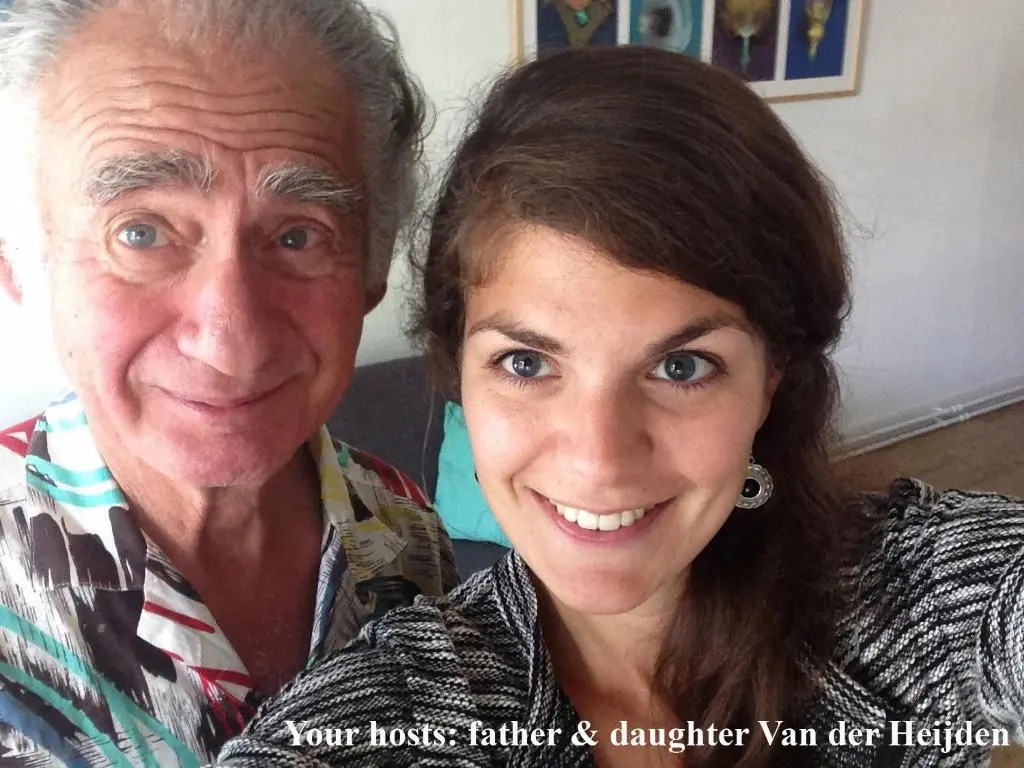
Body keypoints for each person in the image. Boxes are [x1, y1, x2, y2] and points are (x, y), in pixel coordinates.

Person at [218, 47, 1024, 767]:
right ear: (459, 372)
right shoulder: (383, 721)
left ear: (771, 379)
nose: (598, 459)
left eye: (681, 366)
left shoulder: (924, 604)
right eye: (527, 363)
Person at [0, 0, 458, 764]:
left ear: (371, 275)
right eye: (141, 232)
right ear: (19, 265)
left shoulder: (407, 533)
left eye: (297, 234)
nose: (230, 342)